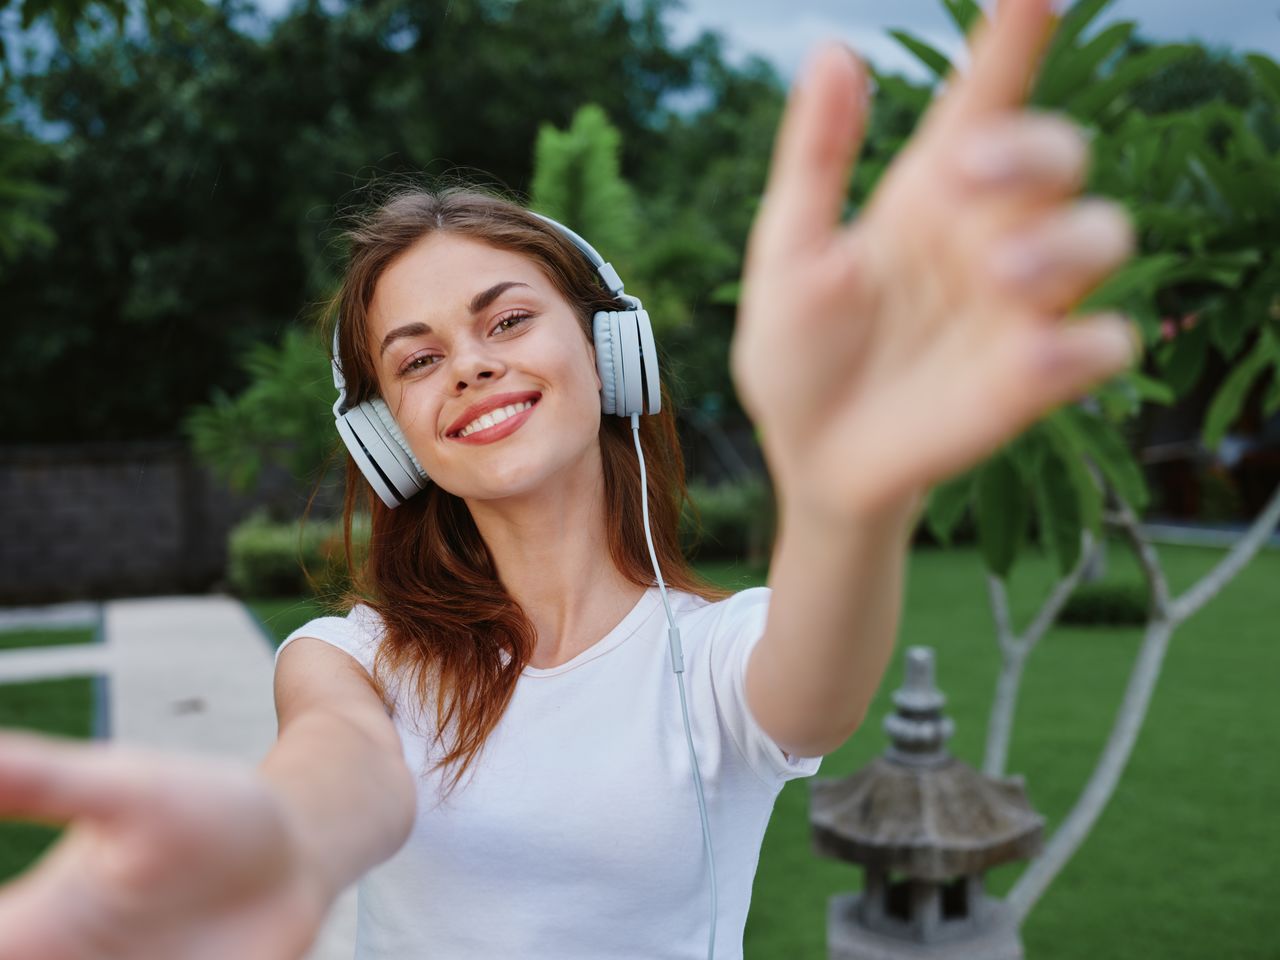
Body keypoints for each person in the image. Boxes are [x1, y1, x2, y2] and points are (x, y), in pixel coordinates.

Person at [0, 1, 1140, 957]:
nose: (473, 364)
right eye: (418, 357)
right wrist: (281, 840)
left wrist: (844, 493)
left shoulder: (716, 661)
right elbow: (338, 775)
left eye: (505, 319)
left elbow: (819, 686)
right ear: (387, 440)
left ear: (610, 357)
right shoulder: (354, 661)